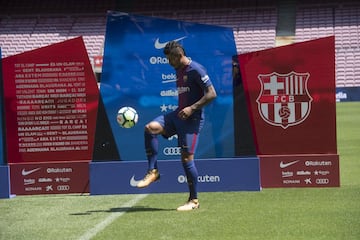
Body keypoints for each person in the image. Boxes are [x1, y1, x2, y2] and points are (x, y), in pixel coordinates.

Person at [136, 40, 217, 211]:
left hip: (192, 120)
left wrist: (192, 108)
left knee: (187, 159)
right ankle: (153, 171)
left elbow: (212, 94)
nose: (168, 63)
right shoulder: (178, 70)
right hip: (177, 116)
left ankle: (193, 200)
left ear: (179, 56)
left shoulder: (196, 69)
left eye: (170, 59)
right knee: (150, 128)